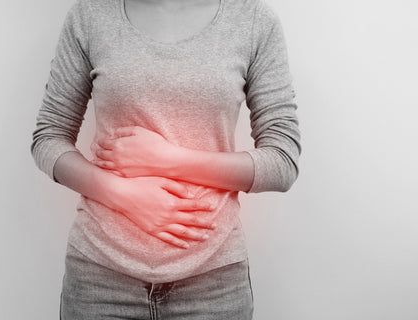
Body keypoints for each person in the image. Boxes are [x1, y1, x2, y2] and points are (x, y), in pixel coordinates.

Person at [31, 0, 301, 318]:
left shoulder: (254, 20)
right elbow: (49, 138)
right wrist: (122, 195)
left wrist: (168, 159)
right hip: (100, 282)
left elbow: (282, 160)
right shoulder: (90, 15)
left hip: (213, 287)